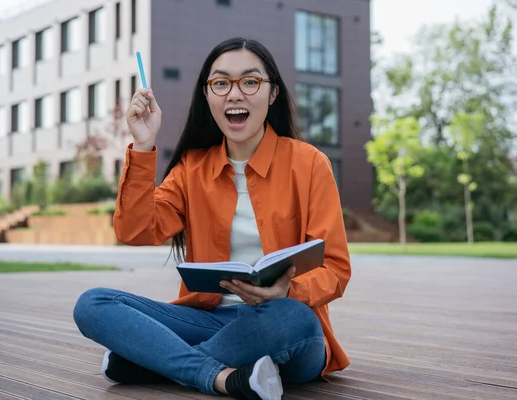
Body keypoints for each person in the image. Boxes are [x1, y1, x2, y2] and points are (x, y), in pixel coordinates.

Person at [73, 37, 351, 400]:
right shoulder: (192, 168)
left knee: (292, 317)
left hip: (282, 324)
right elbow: (135, 230)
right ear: (207, 96)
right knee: (93, 304)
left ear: (272, 94)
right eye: (220, 83)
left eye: (250, 82)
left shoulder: (309, 164)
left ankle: (153, 362)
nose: (234, 94)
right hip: (206, 322)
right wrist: (143, 146)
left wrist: (289, 290)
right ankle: (222, 377)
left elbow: (335, 267)